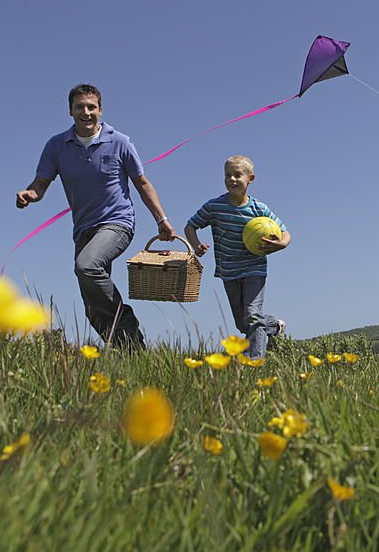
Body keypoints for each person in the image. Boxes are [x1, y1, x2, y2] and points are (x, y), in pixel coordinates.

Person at [16, 84, 176, 350]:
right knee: (92, 307)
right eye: (80, 107)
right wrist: (30, 194)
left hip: (118, 223)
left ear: (100, 110)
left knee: (86, 266)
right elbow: (41, 183)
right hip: (84, 229)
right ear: (70, 111)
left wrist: (162, 220)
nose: (86, 112)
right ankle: (129, 351)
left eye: (91, 107)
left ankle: (126, 322)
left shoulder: (120, 141)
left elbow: (142, 183)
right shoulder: (57, 146)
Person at [184, 155, 289, 360]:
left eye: (237, 175)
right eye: (228, 175)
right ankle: (273, 326)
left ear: (250, 179)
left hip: (254, 268)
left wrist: (281, 244)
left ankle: (254, 362)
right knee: (243, 323)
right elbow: (190, 226)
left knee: (251, 315)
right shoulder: (214, 207)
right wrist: (196, 244)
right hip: (229, 271)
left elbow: (285, 233)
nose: (232, 179)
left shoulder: (259, 209)